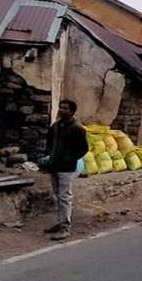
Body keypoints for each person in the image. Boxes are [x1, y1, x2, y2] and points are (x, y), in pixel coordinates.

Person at [43, 100, 89, 240]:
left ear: (72, 111)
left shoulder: (77, 129)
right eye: (61, 108)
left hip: (67, 168)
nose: (62, 110)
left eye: (66, 109)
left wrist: (70, 158)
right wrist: (49, 157)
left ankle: (65, 227)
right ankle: (60, 221)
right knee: (59, 195)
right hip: (54, 165)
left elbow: (83, 149)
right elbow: (49, 143)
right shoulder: (56, 126)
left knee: (64, 197)